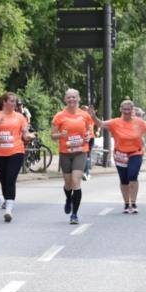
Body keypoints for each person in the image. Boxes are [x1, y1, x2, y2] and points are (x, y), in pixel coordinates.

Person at [89, 100, 146, 213]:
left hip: (135, 153)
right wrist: (93, 116)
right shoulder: (115, 122)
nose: (127, 111)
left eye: (129, 109)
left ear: (132, 110)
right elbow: (100, 124)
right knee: (124, 180)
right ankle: (126, 204)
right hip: (120, 154)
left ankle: (134, 203)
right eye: (124, 109)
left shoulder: (140, 122)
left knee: (132, 176)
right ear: (121, 109)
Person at [0, 92, 34, 222]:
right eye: (11, 101)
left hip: (16, 151)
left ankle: (9, 209)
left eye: (15, 102)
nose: (14, 104)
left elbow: (25, 133)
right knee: (3, 180)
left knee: (10, 178)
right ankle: (5, 199)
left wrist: (28, 136)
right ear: (4, 102)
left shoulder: (20, 117)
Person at [50, 89, 94, 225]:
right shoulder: (59, 116)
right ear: (65, 99)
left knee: (76, 182)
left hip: (80, 151)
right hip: (65, 153)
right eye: (69, 97)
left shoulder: (85, 115)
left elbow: (90, 131)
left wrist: (88, 135)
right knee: (68, 184)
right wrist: (60, 135)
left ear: (78, 99)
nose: (71, 100)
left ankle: (74, 214)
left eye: (74, 97)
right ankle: (68, 198)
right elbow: (52, 135)